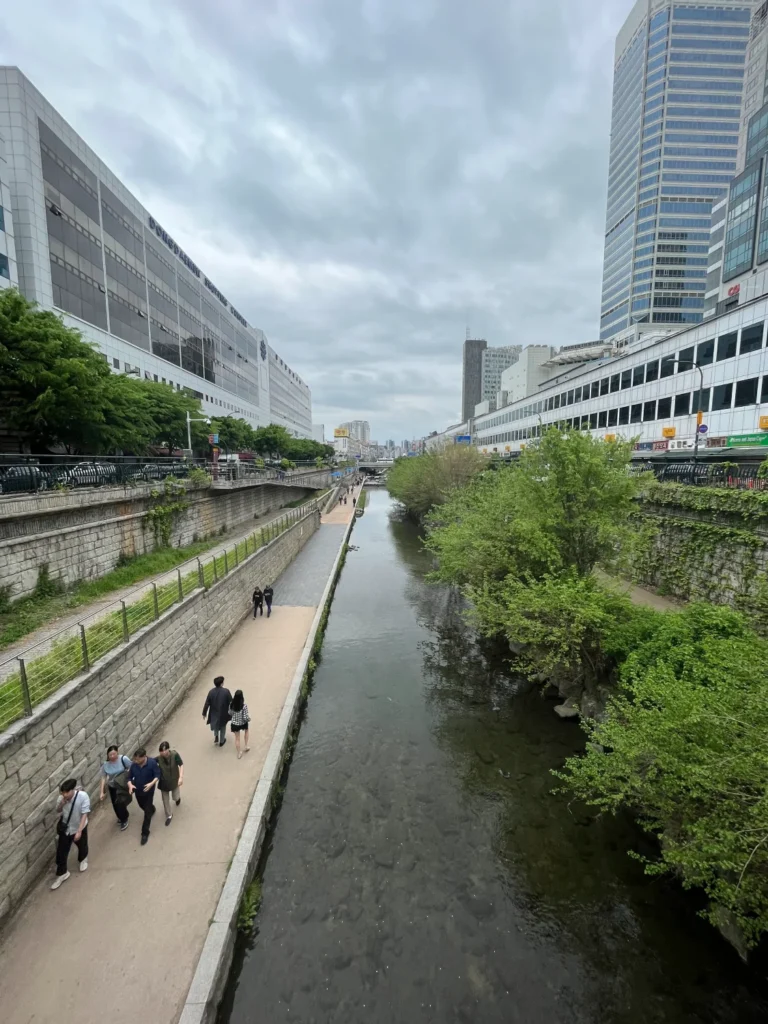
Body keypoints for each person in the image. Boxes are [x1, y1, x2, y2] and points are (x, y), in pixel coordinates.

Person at [51, 779, 90, 889]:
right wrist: (61, 804)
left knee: (82, 845)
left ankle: (83, 859)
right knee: (61, 851)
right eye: (62, 792)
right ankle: (62, 873)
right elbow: (58, 811)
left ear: (72, 790)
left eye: (66, 792)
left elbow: (84, 814)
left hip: (79, 826)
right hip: (66, 828)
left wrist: (79, 831)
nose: (64, 794)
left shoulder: (83, 796)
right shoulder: (62, 799)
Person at [128, 748, 160, 845]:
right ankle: (152, 809)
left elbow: (157, 775)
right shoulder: (134, 765)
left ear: (144, 757)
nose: (136, 761)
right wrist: (130, 785)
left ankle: (145, 833)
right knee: (142, 805)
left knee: (146, 811)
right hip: (138, 790)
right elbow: (129, 777)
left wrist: (151, 784)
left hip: (149, 791)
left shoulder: (152, 763)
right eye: (135, 759)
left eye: (138, 759)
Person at [99, 744, 132, 831]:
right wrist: (102, 792)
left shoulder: (123, 759)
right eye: (110, 755)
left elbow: (131, 767)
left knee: (121, 803)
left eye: (114, 754)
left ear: (117, 752)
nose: (113, 756)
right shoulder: (105, 765)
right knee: (115, 804)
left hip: (121, 785)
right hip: (112, 787)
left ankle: (124, 819)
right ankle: (120, 816)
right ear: (107, 755)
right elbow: (103, 777)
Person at [157, 741, 184, 826]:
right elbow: (149, 763)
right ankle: (169, 815)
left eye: (165, 750)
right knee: (165, 801)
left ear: (168, 749)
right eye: (161, 751)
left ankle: (177, 799)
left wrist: (180, 777)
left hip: (174, 780)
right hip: (163, 783)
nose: (163, 752)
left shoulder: (175, 755)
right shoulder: (158, 759)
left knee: (175, 797)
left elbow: (181, 764)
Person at [203, 675, 233, 746]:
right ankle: (222, 741)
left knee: (215, 725)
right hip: (223, 713)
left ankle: (216, 736)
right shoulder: (226, 691)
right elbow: (231, 702)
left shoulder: (211, 692)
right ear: (221, 683)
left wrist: (204, 713)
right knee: (223, 726)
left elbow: (207, 703)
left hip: (213, 712)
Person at [229, 690, 251, 759]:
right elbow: (245, 717)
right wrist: (249, 719)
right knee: (246, 731)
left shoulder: (231, 705)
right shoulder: (244, 706)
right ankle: (246, 746)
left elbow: (230, 713)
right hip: (243, 723)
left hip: (235, 723)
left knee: (237, 738)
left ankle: (239, 753)